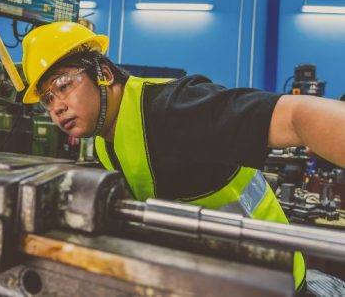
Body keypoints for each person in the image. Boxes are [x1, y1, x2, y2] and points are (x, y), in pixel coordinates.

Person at [21, 21, 345, 295]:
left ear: (104, 74)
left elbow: (298, 115)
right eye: (47, 99)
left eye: (64, 86)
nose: (56, 107)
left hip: (274, 279)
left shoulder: (174, 107)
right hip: (215, 278)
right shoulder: (106, 138)